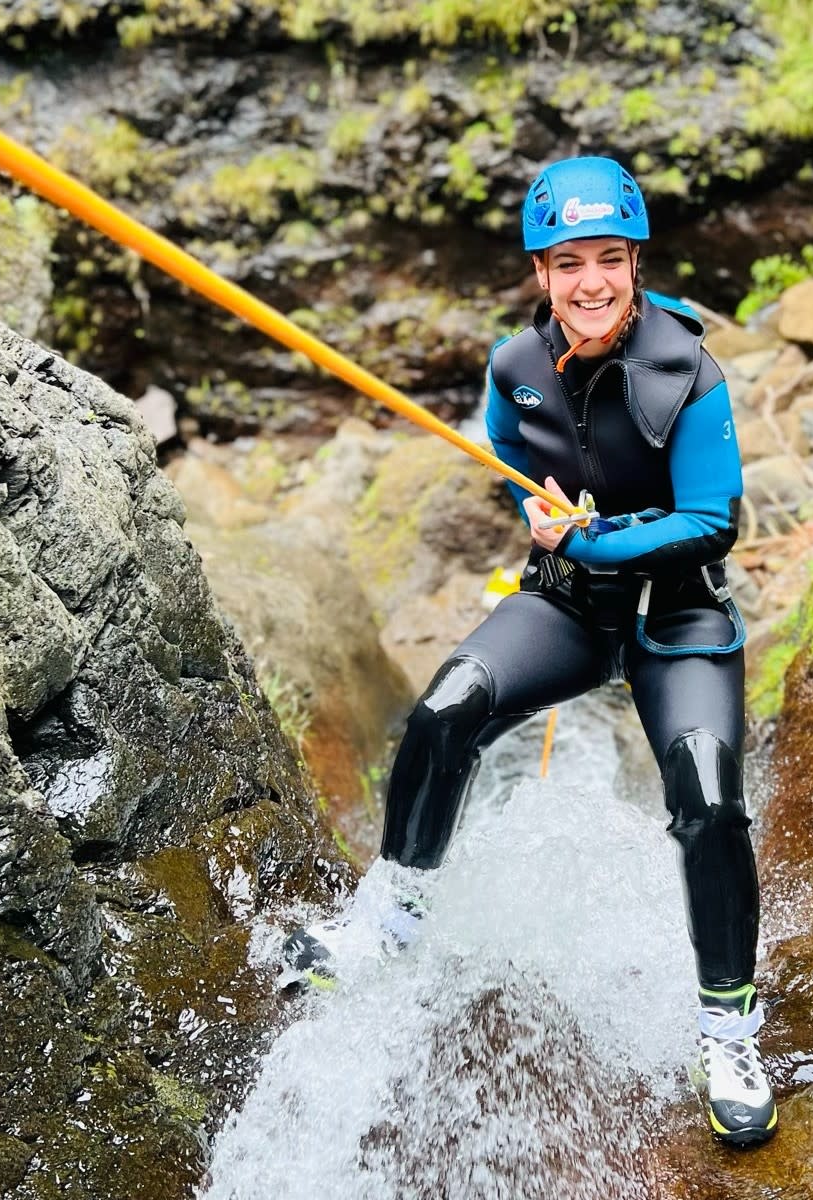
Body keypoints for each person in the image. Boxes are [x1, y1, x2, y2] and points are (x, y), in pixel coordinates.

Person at [283, 156, 775, 1147]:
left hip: (675, 619)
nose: (589, 283)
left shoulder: (689, 373)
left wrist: (591, 537)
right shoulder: (514, 367)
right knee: (447, 708)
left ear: (635, 261)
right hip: (568, 607)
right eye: (566, 265)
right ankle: (394, 913)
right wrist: (539, 518)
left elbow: (713, 520)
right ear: (541, 273)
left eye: (607, 260)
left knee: (708, 791)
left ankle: (728, 1023)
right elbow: (515, 457)